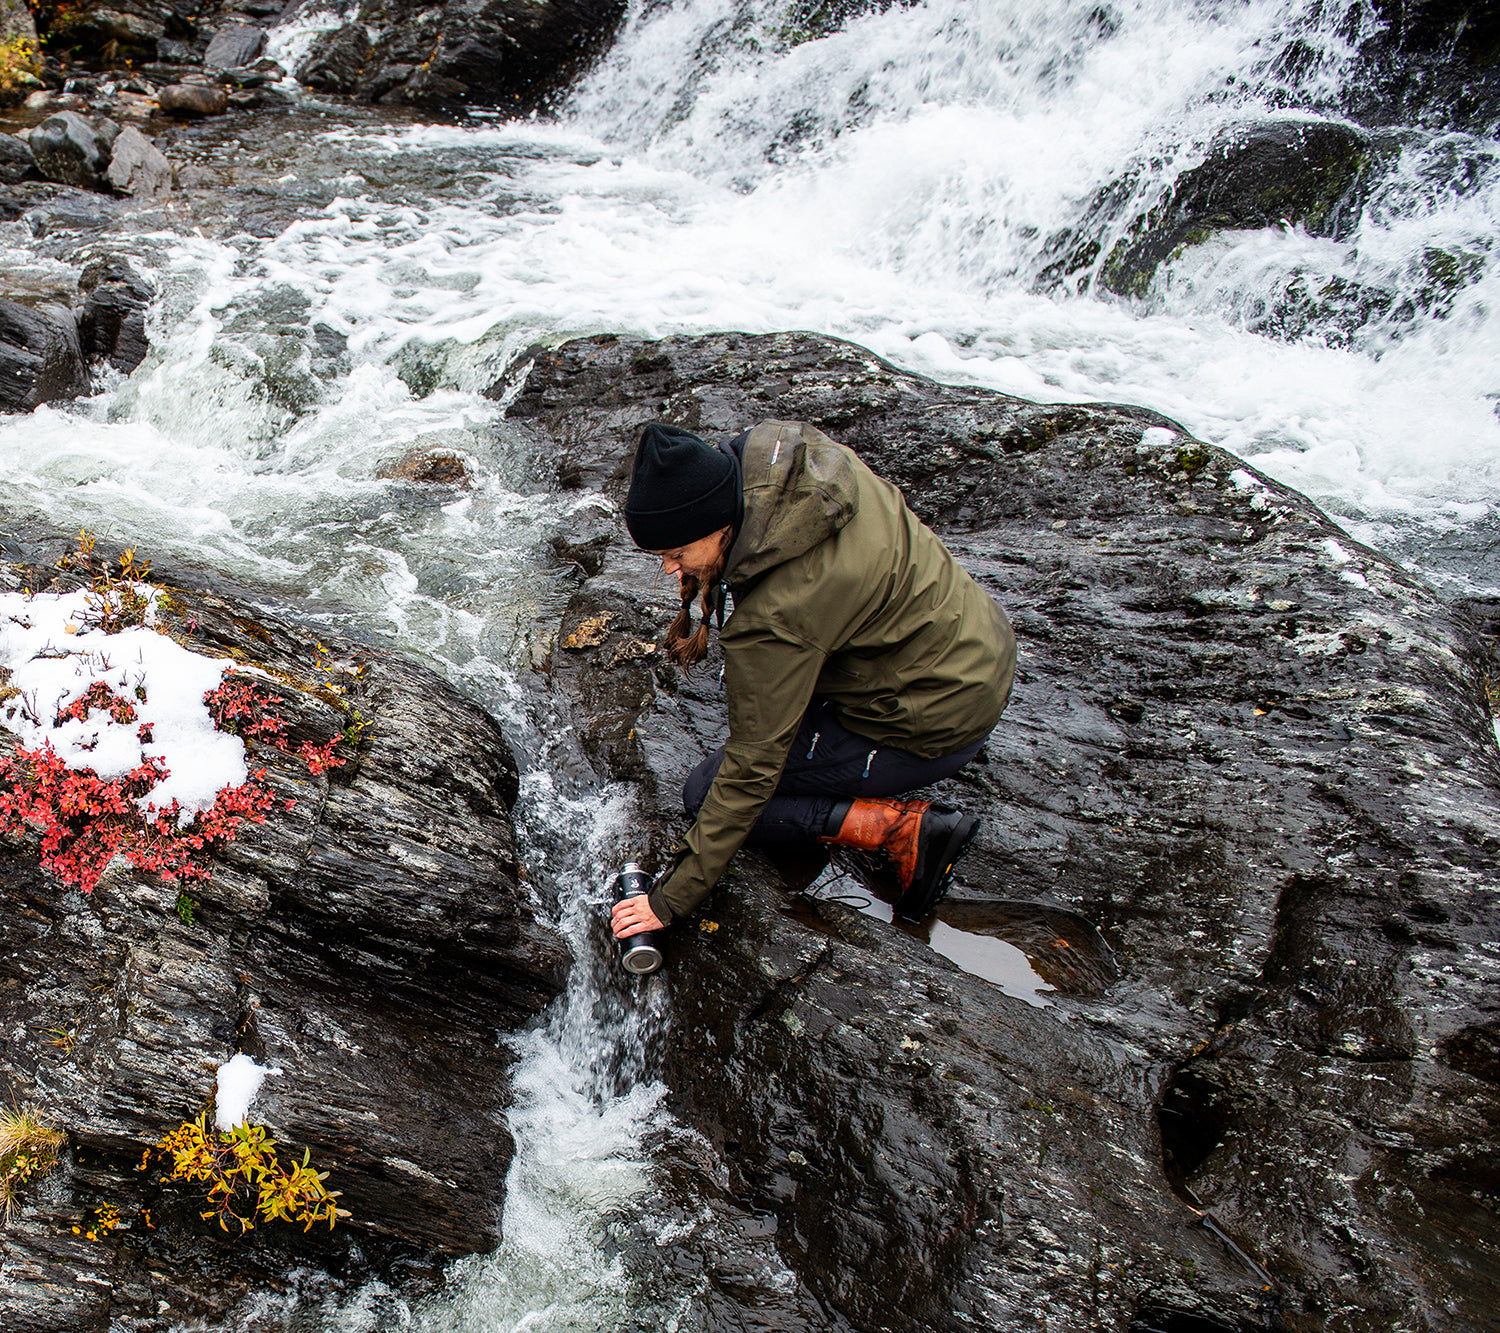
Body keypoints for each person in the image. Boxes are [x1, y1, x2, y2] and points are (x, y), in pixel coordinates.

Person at [610, 419, 1015, 944]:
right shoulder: (785, 459)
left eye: (677, 554)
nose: (669, 569)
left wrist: (671, 899)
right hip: (974, 647)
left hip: (935, 721)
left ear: (717, 523)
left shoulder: (781, 614)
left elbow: (753, 769)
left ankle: (898, 829)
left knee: (704, 791)